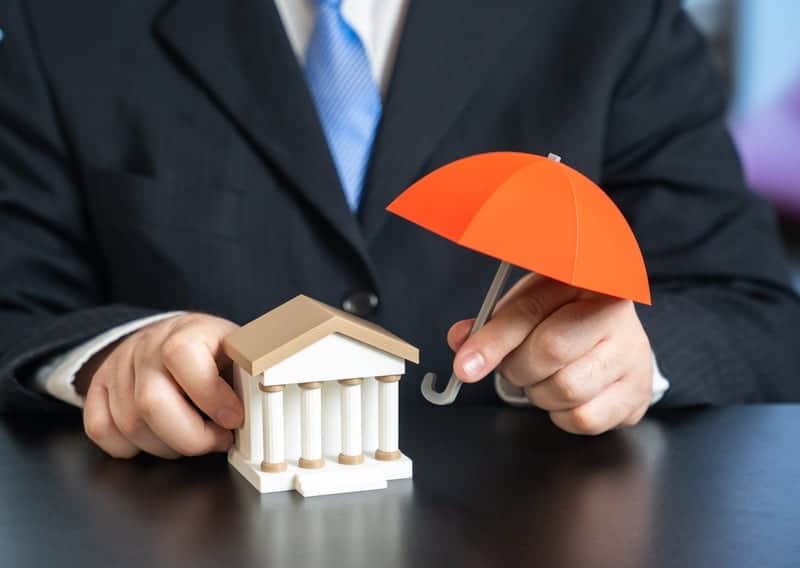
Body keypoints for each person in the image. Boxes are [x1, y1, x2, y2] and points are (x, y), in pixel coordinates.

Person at [1, 0, 798, 460]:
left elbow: (757, 314)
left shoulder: (614, 14)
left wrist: (634, 360)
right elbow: (16, 303)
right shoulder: (61, 20)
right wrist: (108, 355)